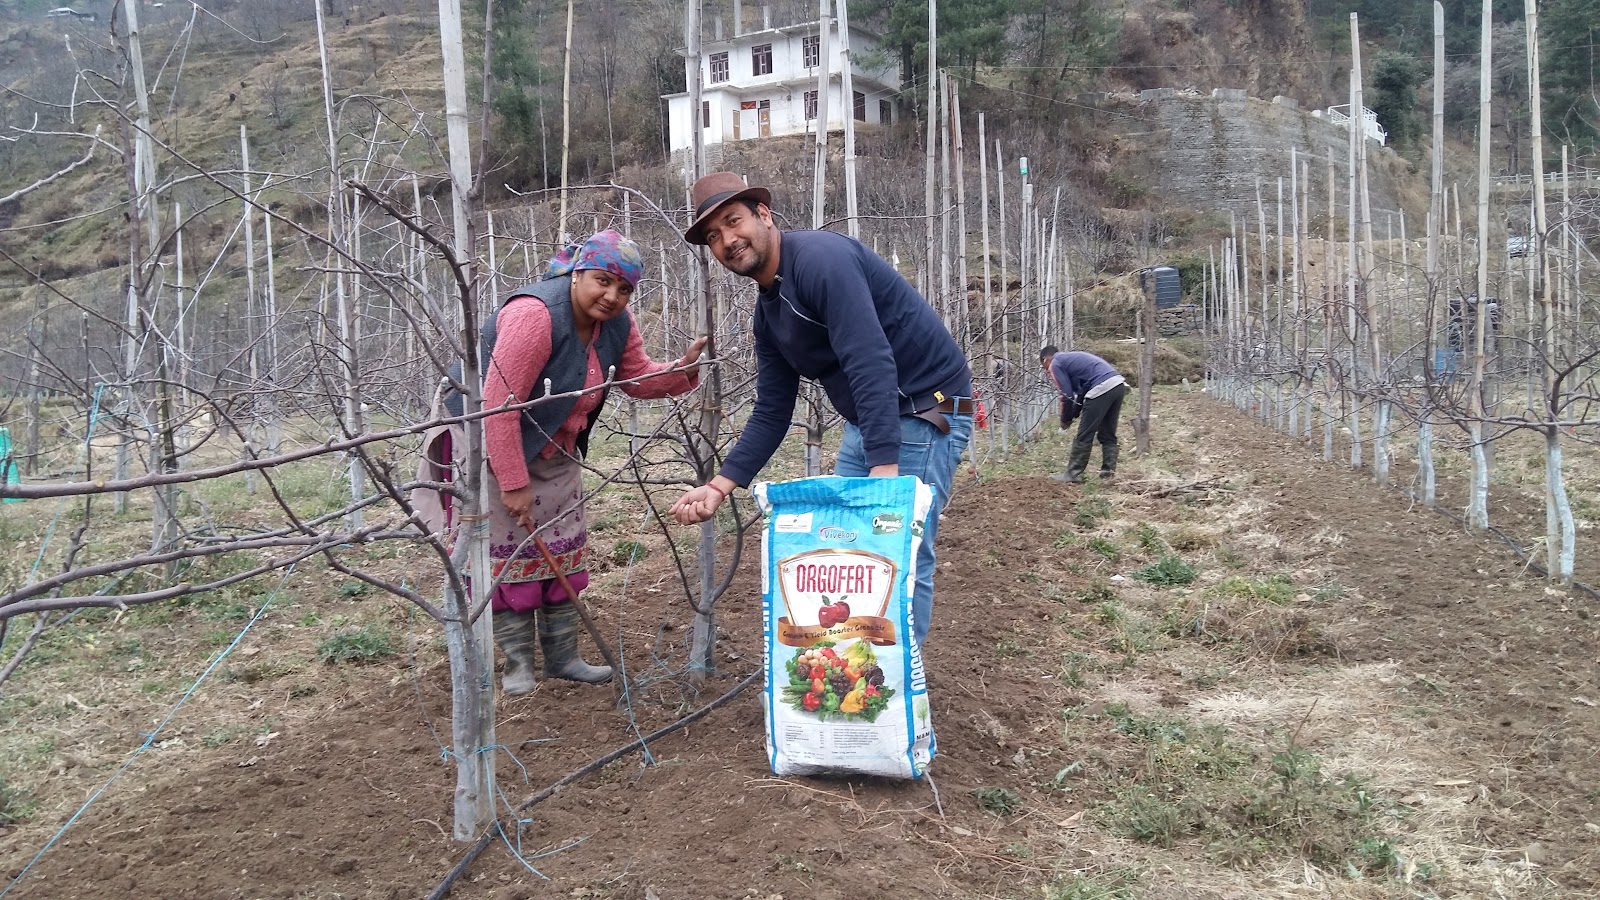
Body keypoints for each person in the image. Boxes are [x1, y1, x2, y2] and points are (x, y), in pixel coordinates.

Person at [667, 172, 973, 651]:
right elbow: (773, 409)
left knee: (899, 554)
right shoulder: (769, 314)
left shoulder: (821, 261)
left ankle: (896, 687)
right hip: (872, 419)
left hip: (925, 411)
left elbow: (869, 358)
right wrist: (720, 485)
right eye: (713, 236)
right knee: (850, 551)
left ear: (764, 215)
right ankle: (854, 669)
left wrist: (884, 470)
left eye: (733, 221)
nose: (727, 240)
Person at [421, 229, 706, 695]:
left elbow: (634, 377)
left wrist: (683, 370)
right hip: (489, 441)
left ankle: (563, 657)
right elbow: (499, 407)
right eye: (602, 281)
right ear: (577, 274)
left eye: (624, 288)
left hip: (556, 445)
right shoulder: (535, 316)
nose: (611, 295)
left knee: (562, 552)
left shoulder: (616, 323)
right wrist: (512, 482)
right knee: (508, 555)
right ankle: (518, 664)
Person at [1040, 345, 1126, 483]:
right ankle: (1108, 473)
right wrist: (1075, 412)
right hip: (1117, 384)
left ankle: (1073, 474)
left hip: (1101, 387)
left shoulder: (1055, 363)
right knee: (1107, 432)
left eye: (1045, 369)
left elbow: (1066, 395)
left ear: (1045, 360)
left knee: (1085, 433)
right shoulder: (1071, 360)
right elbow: (1082, 391)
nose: (1047, 372)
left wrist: (1065, 419)